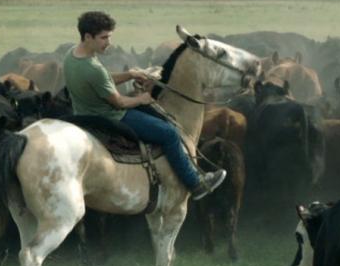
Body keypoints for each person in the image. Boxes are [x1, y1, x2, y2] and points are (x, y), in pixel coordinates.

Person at [63, 11, 226, 200]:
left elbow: (102, 81)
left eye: (109, 36)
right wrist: (142, 99)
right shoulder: (93, 68)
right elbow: (119, 102)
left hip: (82, 112)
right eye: (104, 37)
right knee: (169, 133)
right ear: (88, 36)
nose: (109, 42)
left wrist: (131, 74)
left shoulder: (73, 55)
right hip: (110, 116)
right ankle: (195, 183)